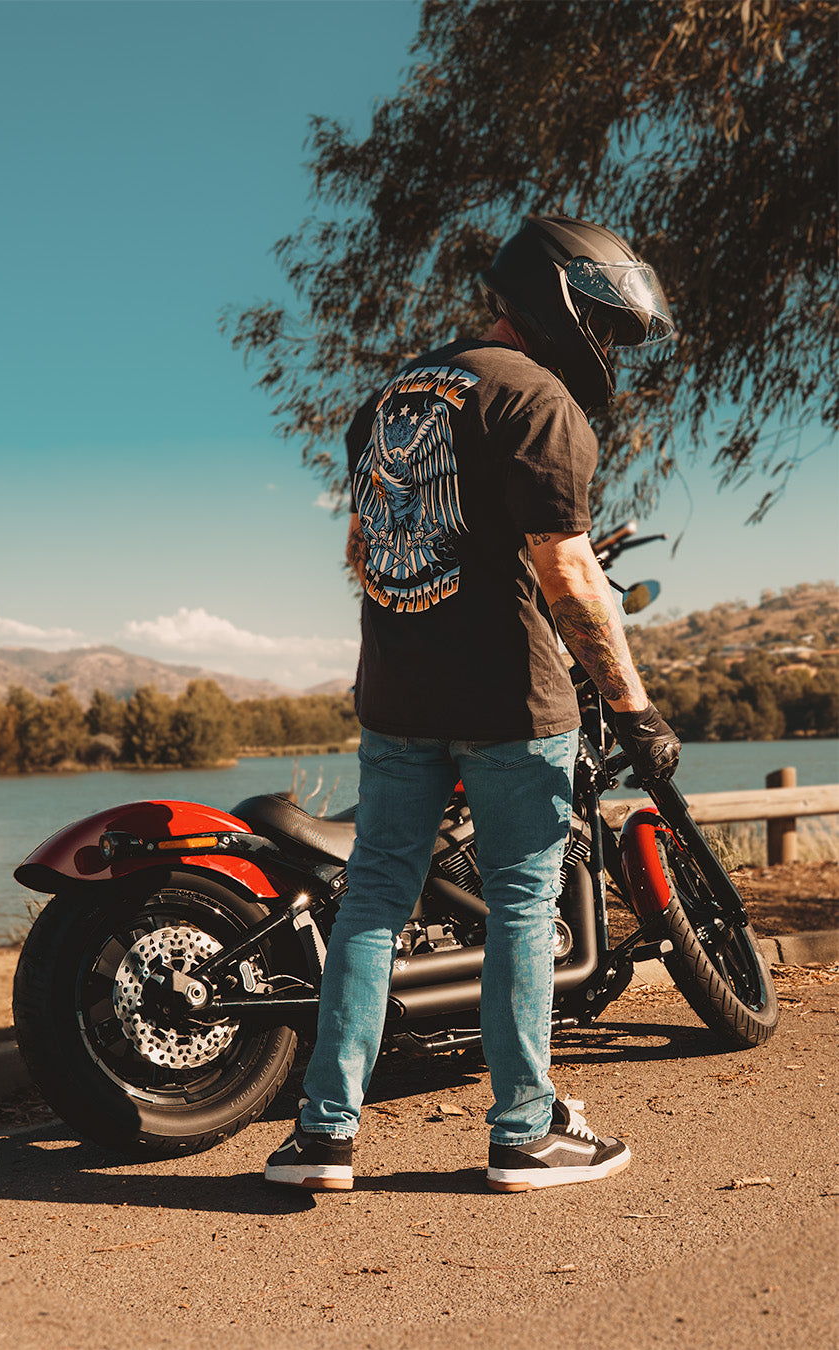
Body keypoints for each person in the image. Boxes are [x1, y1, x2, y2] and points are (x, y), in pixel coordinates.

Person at [265, 215, 681, 1193]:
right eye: (609, 328)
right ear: (564, 301)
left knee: (371, 905)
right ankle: (525, 1132)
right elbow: (571, 577)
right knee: (522, 911)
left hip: (398, 697)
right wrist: (633, 711)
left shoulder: (387, 400)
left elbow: (365, 557)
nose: (611, 348)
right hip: (511, 700)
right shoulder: (538, 402)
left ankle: (323, 1137)